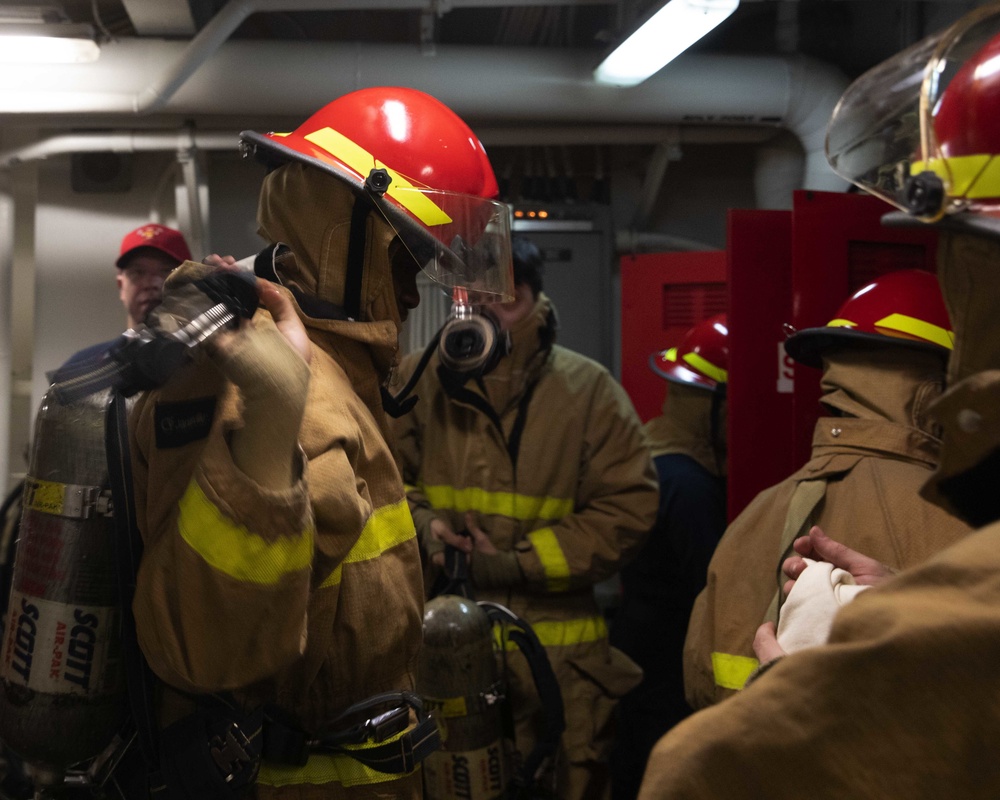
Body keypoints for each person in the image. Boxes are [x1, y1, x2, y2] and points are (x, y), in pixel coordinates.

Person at [637, 9, 1000, 797]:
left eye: (963, 253)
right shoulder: (961, 524)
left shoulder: (757, 514)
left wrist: (791, 714)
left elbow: (695, 712)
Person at [127, 86, 515, 798]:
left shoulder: (337, 381)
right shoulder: (278, 386)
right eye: (406, 266)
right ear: (347, 241)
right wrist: (273, 411)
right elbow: (202, 649)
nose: (407, 298)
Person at [390, 234, 659, 800]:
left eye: (504, 297)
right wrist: (424, 526)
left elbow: (628, 508)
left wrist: (517, 563)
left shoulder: (589, 393)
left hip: (558, 667)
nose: (490, 312)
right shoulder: (418, 382)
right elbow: (383, 481)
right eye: (474, 299)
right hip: (441, 654)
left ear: (536, 300)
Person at [682, 269, 971, 710]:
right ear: (943, 390)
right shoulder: (969, 522)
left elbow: (699, 683)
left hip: (744, 772)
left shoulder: (753, 516)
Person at [608, 314, 729, 800]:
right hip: (668, 667)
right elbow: (715, 585)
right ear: (713, 407)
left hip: (639, 652)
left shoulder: (655, 451)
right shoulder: (692, 485)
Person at [61, 223, 193, 368]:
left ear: (189, 283)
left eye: (167, 271)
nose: (151, 283)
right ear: (121, 286)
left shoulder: (211, 363)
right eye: (137, 272)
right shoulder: (82, 367)